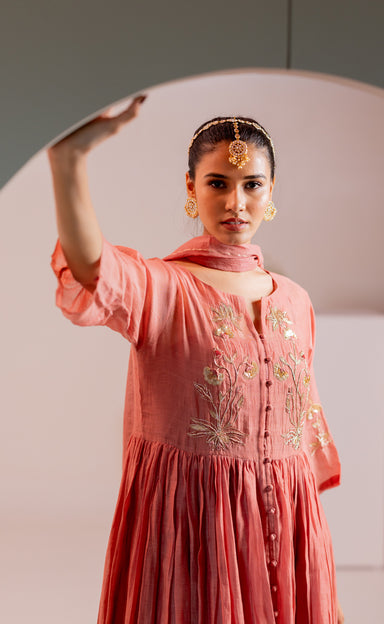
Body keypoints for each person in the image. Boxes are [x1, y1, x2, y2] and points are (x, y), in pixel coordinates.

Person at [47, 95, 345, 624]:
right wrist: (68, 162)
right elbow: (93, 268)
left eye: (252, 184)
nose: (236, 201)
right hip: (191, 535)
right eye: (217, 183)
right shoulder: (164, 288)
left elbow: (301, 436)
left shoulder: (296, 301)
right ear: (191, 189)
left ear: (271, 191)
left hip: (288, 533)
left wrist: (319, 578)